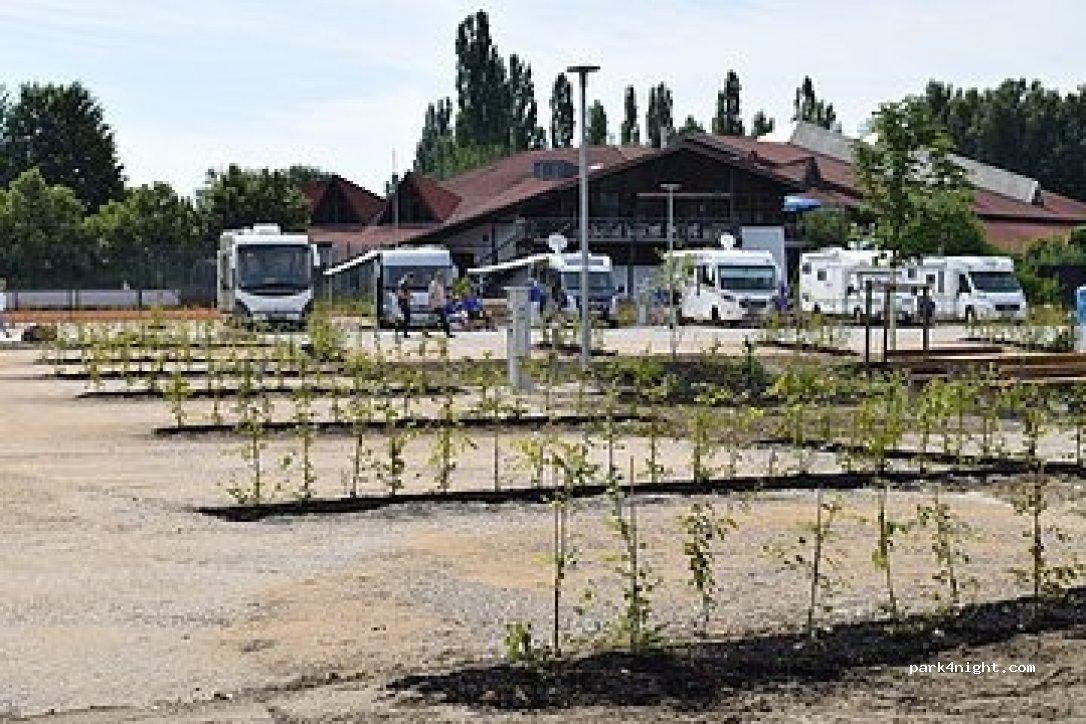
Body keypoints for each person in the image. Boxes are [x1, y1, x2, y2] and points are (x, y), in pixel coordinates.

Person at [428, 270, 452, 337]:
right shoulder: (433, 284)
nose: (441, 278)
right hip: (435, 305)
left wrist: (447, 296)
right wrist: (431, 304)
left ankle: (447, 333)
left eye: (441, 276)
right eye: (439, 276)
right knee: (435, 320)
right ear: (436, 276)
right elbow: (431, 295)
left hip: (441, 304)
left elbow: (442, 294)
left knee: (442, 319)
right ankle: (447, 333)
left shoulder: (440, 284)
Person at [396, 273, 413, 339]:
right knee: (406, 319)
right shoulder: (403, 284)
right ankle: (404, 333)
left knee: (406, 319)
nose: (412, 280)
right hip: (403, 303)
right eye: (411, 278)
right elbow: (400, 294)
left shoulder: (406, 284)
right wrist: (408, 297)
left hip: (405, 303)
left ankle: (399, 328)